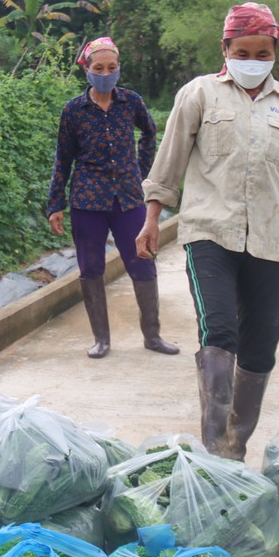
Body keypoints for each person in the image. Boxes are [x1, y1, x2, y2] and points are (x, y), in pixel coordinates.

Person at [135, 3, 279, 460]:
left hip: (271, 238)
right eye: (242, 50)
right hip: (210, 232)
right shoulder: (199, 94)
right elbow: (167, 164)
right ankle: (214, 450)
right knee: (220, 330)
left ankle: (236, 447)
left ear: (274, 54)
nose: (252, 60)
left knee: (261, 347)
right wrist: (151, 218)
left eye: (262, 52)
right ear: (225, 49)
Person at [46, 37, 179, 358]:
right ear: (87, 70)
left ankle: (153, 336)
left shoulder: (131, 102)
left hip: (129, 199)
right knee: (91, 268)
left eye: (112, 68)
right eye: (99, 68)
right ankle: (101, 340)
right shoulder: (73, 111)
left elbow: (149, 132)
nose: (105, 73)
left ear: (119, 68)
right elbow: (62, 159)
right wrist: (55, 205)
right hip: (87, 202)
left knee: (143, 263)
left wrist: (143, 169)